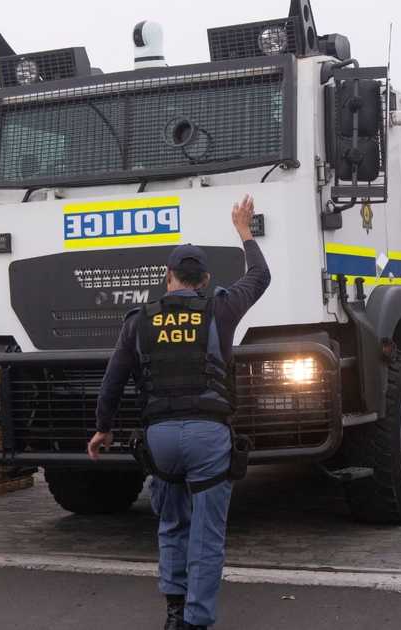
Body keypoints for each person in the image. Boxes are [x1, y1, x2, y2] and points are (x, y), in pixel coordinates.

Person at [89, 195, 270, 630]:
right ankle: (195, 621)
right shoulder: (221, 308)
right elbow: (260, 276)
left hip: (161, 439)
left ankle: (173, 610)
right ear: (204, 279)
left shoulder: (138, 321)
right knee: (206, 536)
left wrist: (103, 429)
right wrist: (244, 230)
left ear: (168, 277)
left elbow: (114, 378)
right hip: (209, 436)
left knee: (172, 524)